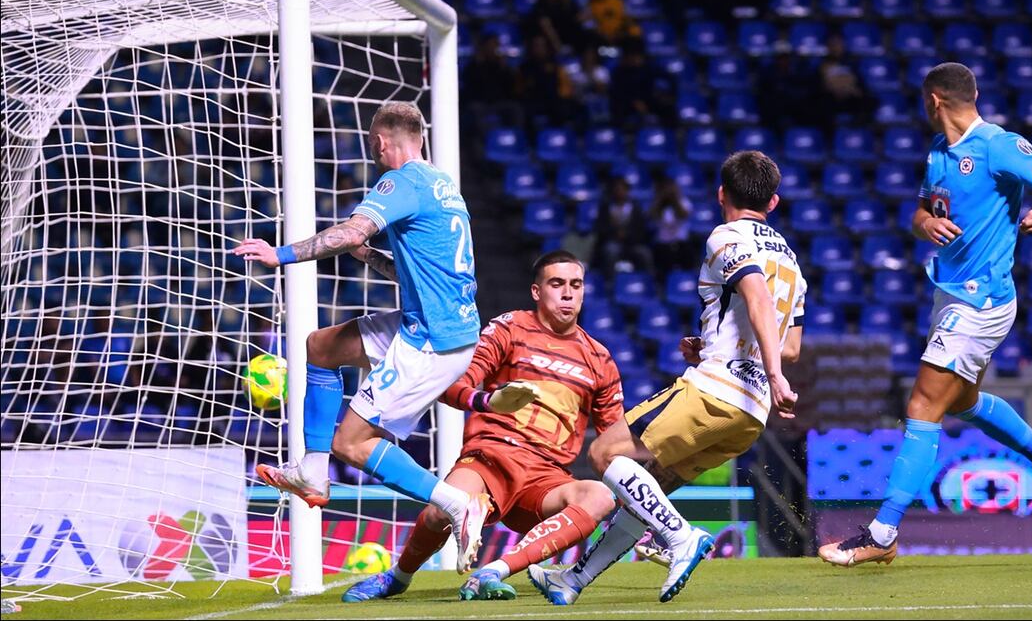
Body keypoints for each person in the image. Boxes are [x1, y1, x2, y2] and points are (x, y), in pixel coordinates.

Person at [818, 62, 1032, 567]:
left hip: (982, 301)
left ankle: (883, 530)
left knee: (922, 403)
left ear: (933, 99)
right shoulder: (938, 154)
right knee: (960, 399)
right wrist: (925, 224)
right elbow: (920, 214)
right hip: (949, 296)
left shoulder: (999, 145)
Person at [233, 102, 512, 573]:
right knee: (321, 346)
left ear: (381, 141)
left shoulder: (400, 182)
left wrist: (278, 254)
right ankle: (312, 475)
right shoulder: (442, 186)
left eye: (373, 145)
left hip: (432, 342)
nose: (374, 153)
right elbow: (418, 270)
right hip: (434, 322)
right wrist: (370, 258)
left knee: (353, 443)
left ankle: (458, 503)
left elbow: (349, 231)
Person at [530, 150, 806, 604]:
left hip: (717, 391)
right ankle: (572, 580)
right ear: (773, 203)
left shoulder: (727, 235)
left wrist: (775, 375)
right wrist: (723, 348)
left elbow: (755, 296)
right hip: (750, 416)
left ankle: (680, 537)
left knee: (605, 452)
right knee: (645, 487)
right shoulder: (793, 263)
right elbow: (790, 344)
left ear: (721, 194)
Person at [338, 250, 625, 603]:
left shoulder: (599, 358)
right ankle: (398, 577)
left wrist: (642, 481)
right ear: (537, 291)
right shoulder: (509, 328)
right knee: (440, 510)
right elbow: (453, 384)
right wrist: (487, 400)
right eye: (557, 284)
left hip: (546, 476)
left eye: (575, 285)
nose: (568, 293)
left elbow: (614, 443)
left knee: (599, 495)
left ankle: (492, 572)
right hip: (490, 458)